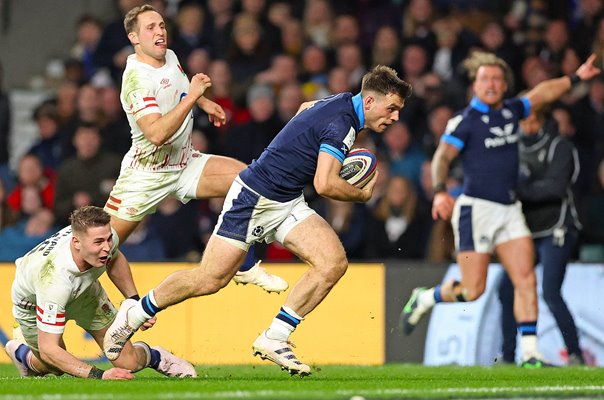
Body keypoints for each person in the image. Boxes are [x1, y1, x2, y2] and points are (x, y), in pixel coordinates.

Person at [102, 65, 412, 376]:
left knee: (332, 263)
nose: (396, 116)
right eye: (392, 108)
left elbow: (305, 109)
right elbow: (324, 185)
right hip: (255, 198)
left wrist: (293, 151)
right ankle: (135, 314)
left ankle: (274, 338)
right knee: (209, 279)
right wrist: (363, 195)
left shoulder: (342, 101)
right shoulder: (341, 123)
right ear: (370, 103)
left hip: (286, 198)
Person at [400, 51, 600, 368]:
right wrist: (439, 192)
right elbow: (442, 158)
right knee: (472, 290)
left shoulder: (511, 110)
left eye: (497, 78)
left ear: (505, 85)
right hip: (475, 210)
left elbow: (542, 93)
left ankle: (531, 355)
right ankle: (426, 297)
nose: (491, 84)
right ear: (475, 85)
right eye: (485, 79)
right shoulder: (464, 121)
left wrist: (575, 78)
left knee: (525, 279)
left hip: (509, 209)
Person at [103, 4, 287, 293]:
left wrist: (203, 101)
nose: (160, 31)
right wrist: (194, 97)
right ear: (134, 38)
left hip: (185, 161)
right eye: (150, 27)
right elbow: (156, 134)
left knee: (248, 181)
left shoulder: (169, 56)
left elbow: (178, 86)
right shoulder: (136, 79)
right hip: (146, 175)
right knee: (102, 244)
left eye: (162, 25)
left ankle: (245, 264)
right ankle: (110, 299)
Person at [3, 206, 196, 379]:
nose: (106, 247)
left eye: (109, 239)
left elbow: (115, 257)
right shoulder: (54, 279)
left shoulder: (104, 237)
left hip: (86, 293)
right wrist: (99, 375)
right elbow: (49, 349)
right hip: (35, 303)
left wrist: (134, 302)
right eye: (98, 242)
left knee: (126, 362)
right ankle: (22, 355)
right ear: (76, 243)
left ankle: (157, 357)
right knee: (52, 364)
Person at [498, 103, 584, 365]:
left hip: (557, 226)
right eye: (524, 121)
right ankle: (509, 356)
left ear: (543, 120)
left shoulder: (560, 146)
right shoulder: (513, 148)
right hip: (525, 229)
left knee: (549, 291)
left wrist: (521, 190)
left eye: (533, 121)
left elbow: (555, 188)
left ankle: (575, 354)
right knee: (506, 289)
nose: (528, 126)